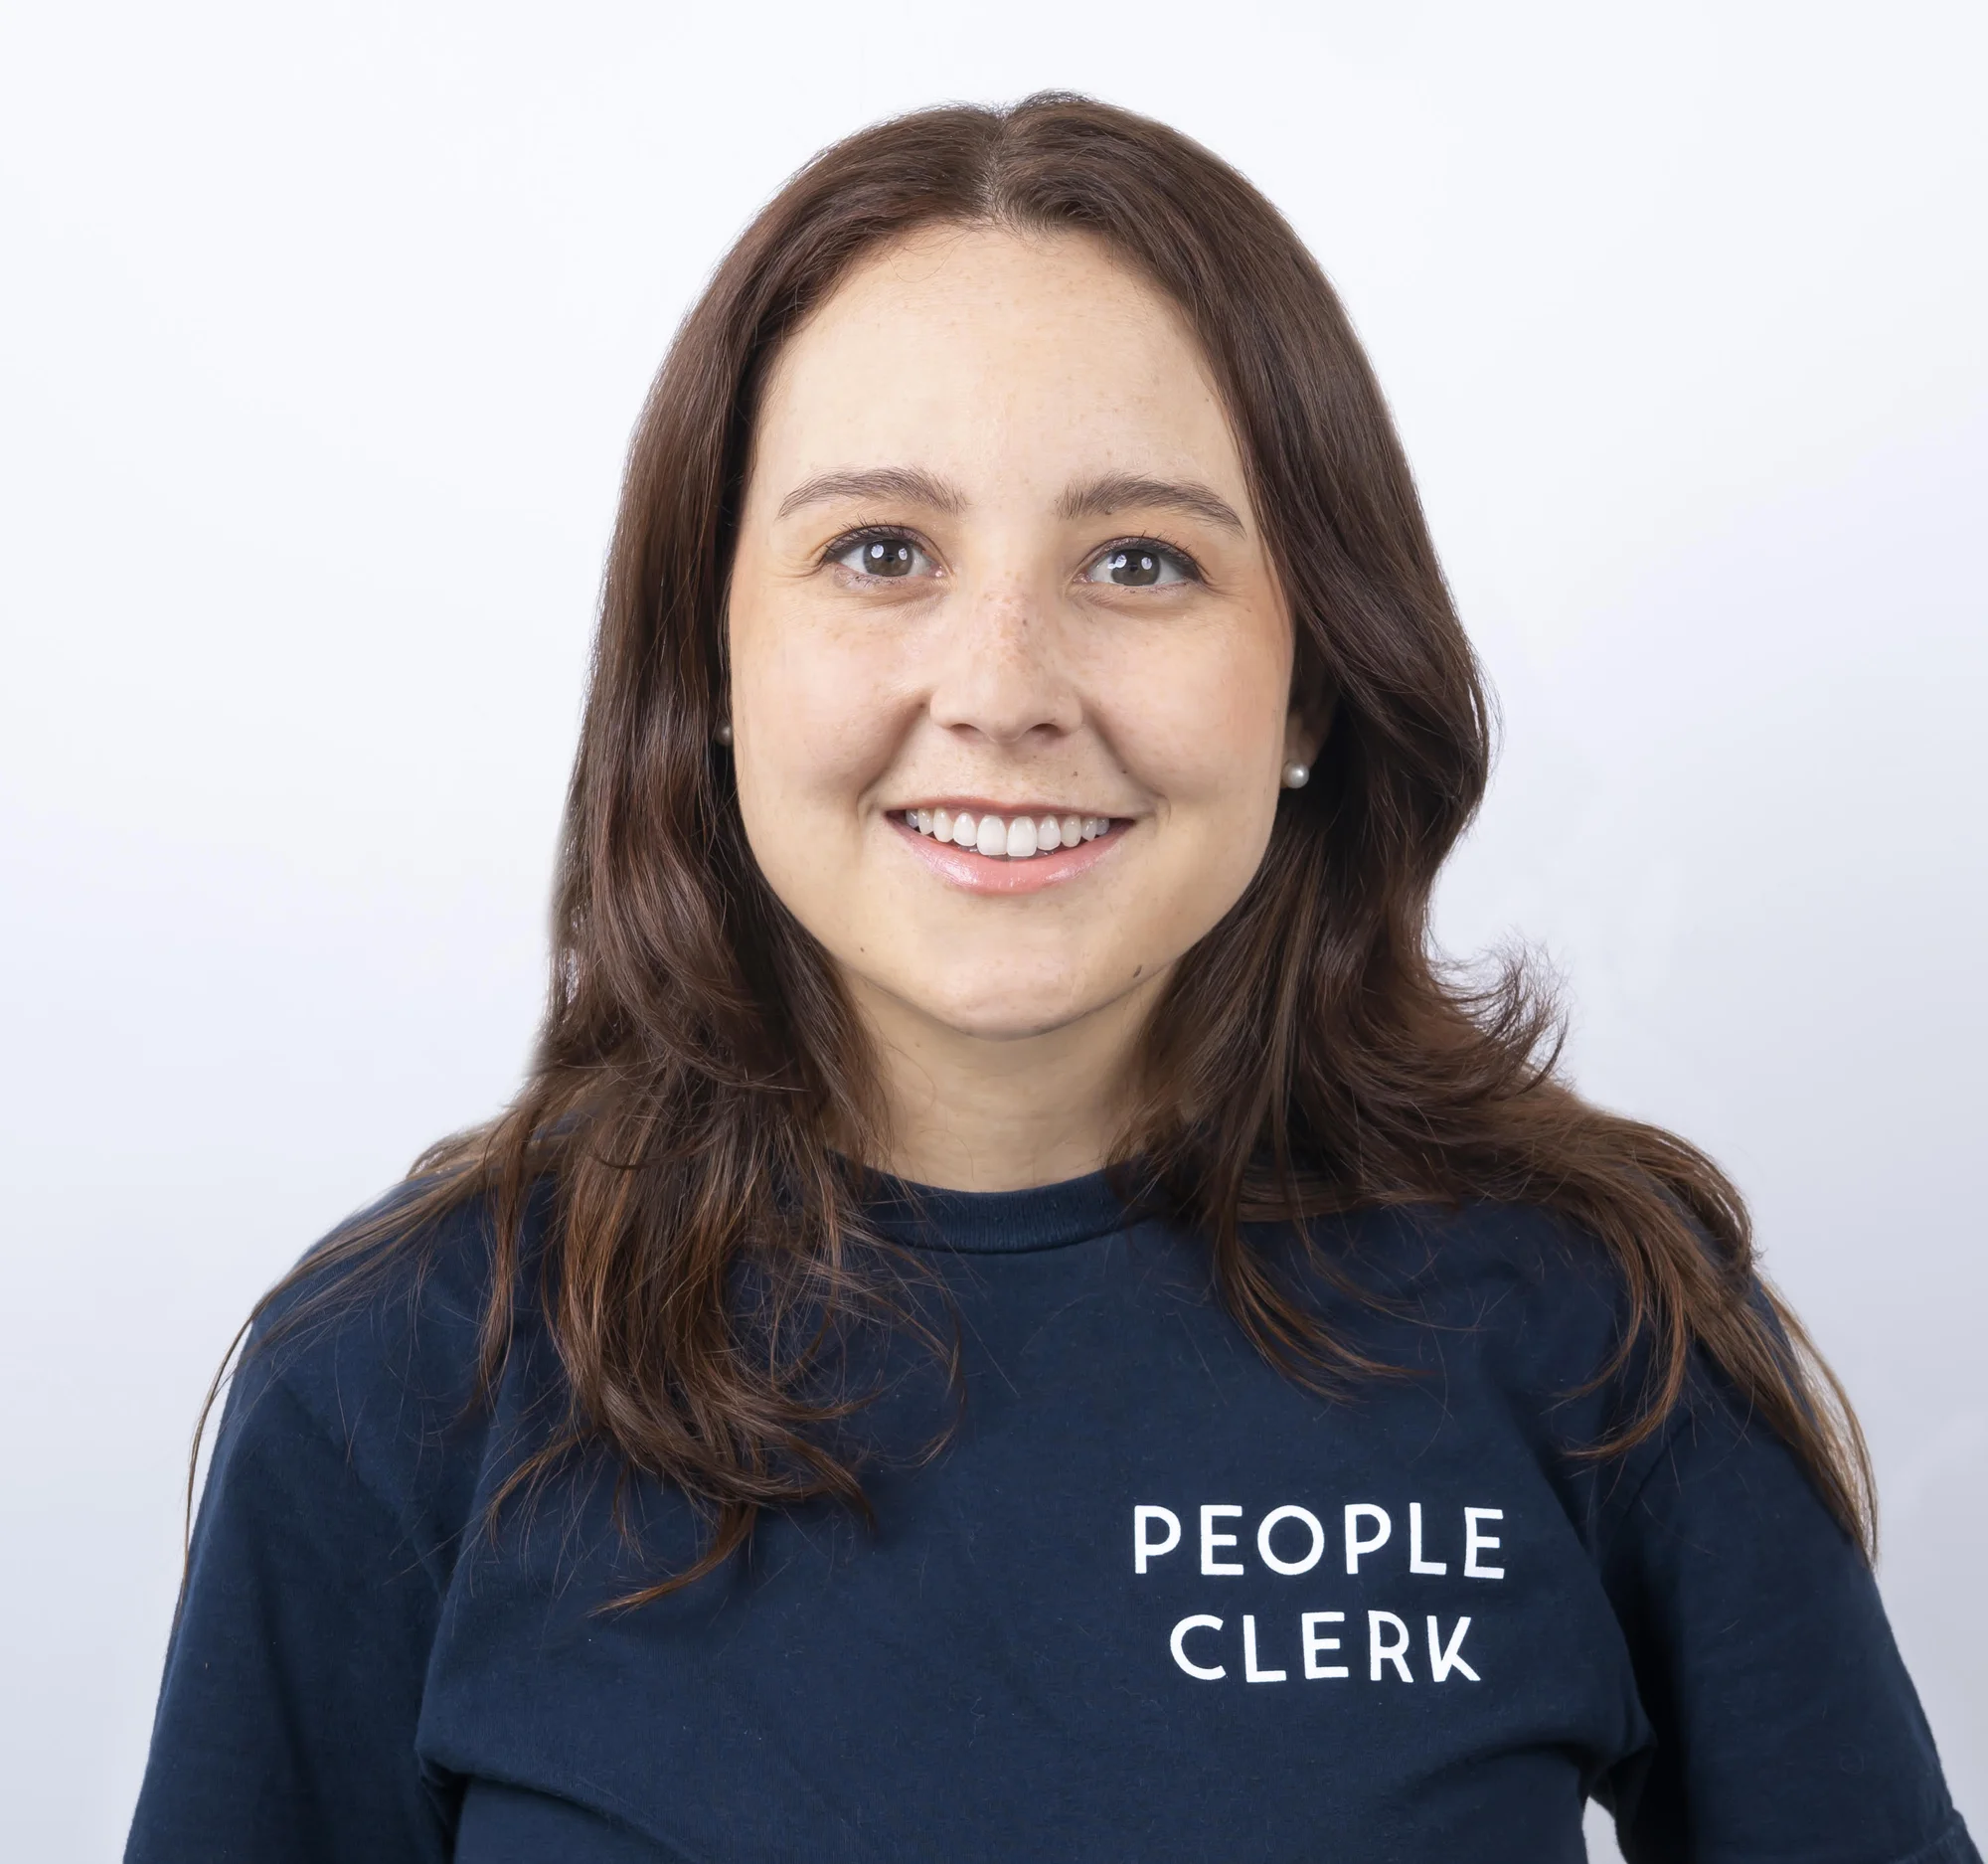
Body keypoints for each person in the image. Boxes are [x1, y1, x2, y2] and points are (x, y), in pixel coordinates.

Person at [126, 94, 1975, 1863]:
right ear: (713, 658)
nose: (1003, 685)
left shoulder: (1596, 1322)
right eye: (879, 553)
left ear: (1316, 677)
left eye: (1141, 559)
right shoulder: (395, 1376)